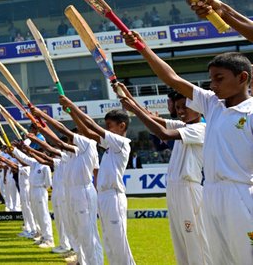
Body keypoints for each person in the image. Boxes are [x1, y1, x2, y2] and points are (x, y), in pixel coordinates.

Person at [123, 29, 252, 264]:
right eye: (211, 79)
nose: (213, 85)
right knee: (219, 258)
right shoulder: (213, 104)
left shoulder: (251, 112)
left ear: (242, 78)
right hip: (211, 192)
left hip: (241, 194)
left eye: (219, 79)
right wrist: (143, 49)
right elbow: (172, 79)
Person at [120, 87, 210, 264]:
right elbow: (153, 120)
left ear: (199, 107)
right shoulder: (183, 125)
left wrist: (135, 109)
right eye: (178, 108)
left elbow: (163, 133)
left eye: (185, 106)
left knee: (195, 242)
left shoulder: (202, 128)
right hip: (174, 189)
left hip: (190, 189)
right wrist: (128, 97)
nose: (181, 111)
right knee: (180, 242)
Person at [62, 98, 136, 265]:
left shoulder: (122, 143)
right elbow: (88, 132)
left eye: (109, 125)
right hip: (103, 196)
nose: (105, 129)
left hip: (114, 196)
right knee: (109, 243)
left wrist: (73, 105)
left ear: (122, 126)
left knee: (119, 243)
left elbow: (92, 126)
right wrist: (71, 113)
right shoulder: (111, 146)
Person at [30, 104, 103, 265]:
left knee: (88, 233)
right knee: (76, 231)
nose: (70, 140)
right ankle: (82, 261)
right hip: (72, 193)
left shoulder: (88, 145)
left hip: (84, 192)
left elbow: (61, 134)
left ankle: (94, 263)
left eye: (73, 137)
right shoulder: (72, 153)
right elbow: (54, 144)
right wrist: (39, 126)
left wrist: (43, 116)